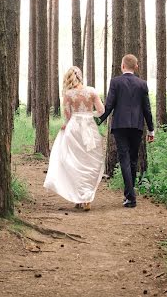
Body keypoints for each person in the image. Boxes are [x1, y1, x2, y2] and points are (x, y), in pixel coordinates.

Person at [43, 66, 105, 211]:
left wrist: (67, 124)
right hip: (89, 127)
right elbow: (101, 110)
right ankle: (87, 197)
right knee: (89, 162)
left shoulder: (68, 94)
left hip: (74, 128)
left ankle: (78, 197)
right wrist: (90, 115)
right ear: (80, 76)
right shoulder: (92, 91)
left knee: (74, 163)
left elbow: (67, 116)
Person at [98, 54, 154, 208]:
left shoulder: (115, 82)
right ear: (136, 67)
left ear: (122, 66)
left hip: (120, 126)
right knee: (133, 160)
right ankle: (130, 195)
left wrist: (97, 121)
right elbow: (147, 109)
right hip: (137, 126)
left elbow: (108, 105)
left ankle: (130, 197)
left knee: (124, 159)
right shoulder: (142, 84)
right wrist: (151, 130)